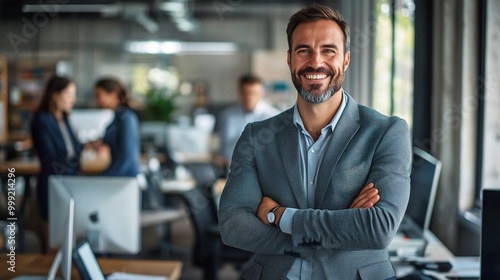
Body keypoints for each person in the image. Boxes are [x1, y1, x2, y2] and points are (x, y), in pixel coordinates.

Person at [218, 4, 411, 280]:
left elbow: (379, 228)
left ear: (345, 60)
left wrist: (279, 216)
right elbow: (232, 225)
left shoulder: (386, 131)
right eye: (303, 50)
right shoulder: (256, 136)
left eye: (328, 50)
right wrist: (336, 231)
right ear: (290, 60)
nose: (316, 62)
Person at [31, 75, 82, 247]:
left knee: (70, 238)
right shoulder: (42, 120)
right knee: (54, 240)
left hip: (71, 181)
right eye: (69, 94)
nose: (73, 99)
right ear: (55, 95)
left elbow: (74, 149)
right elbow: (50, 157)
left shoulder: (65, 119)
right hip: (53, 183)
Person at [217, 74, 280, 163]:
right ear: (239, 93)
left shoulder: (273, 117)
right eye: (245, 93)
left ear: (262, 93)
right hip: (233, 170)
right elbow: (223, 150)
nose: (249, 97)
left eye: (254, 93)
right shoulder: (227, 116)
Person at [93, 77, 140, 177]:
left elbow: (127, 158)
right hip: (118, 174)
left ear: (113, 95)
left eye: (99, 95)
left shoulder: (126, 118)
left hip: (123, 178)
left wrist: (105, 179)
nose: (96, 101)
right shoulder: (118, 117)